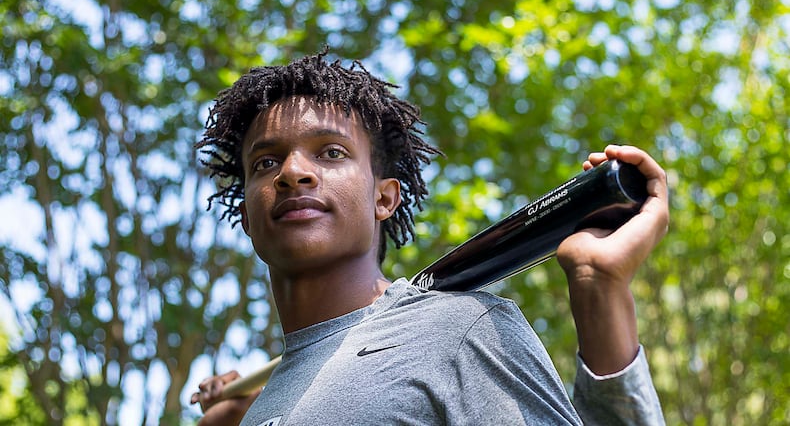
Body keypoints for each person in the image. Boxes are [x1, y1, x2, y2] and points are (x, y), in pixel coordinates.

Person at [190, 50, 669, 425]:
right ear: (247, 217)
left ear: (385, 199)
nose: (294, 172)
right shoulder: (260, 403)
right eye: (266, 162)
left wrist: (597, 288)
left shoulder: (458, 332)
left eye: (331, 153)